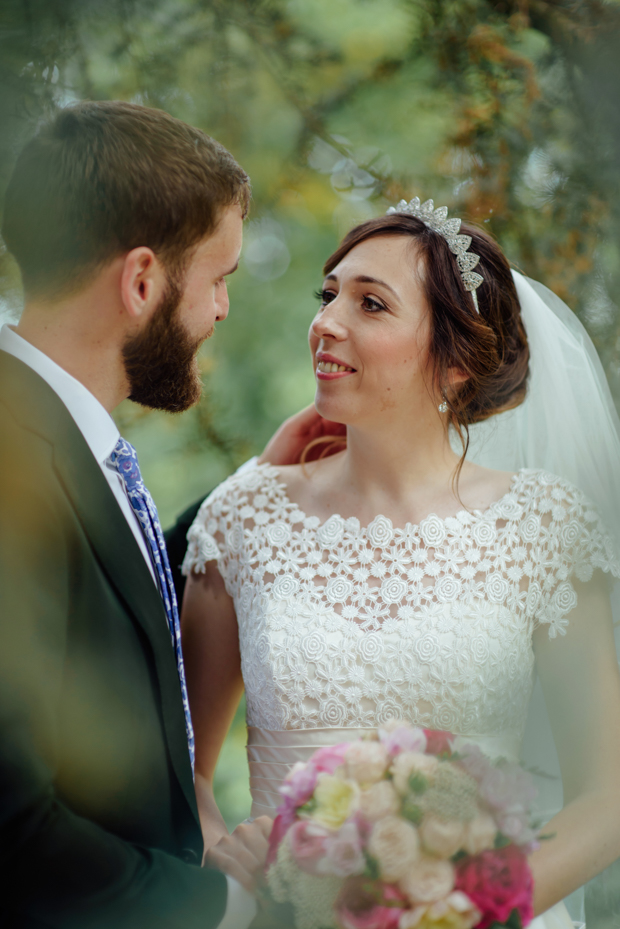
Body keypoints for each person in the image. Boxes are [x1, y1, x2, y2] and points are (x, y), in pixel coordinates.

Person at [180, 201, 620, 928]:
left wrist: (461, 908)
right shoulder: (243, 517)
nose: (326, 322)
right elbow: (184, 767)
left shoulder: (544, 528)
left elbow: (606, 796)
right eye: (329, 295)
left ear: (454, 362)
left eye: (371, 303)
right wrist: (223, 853)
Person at [0, 100, 276, 929]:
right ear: (143, 280)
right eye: (219, 278)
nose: (222, 310)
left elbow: (105, 596)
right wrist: (225, 908)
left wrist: (257, 486)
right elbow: (14, 823)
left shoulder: (52, 435)